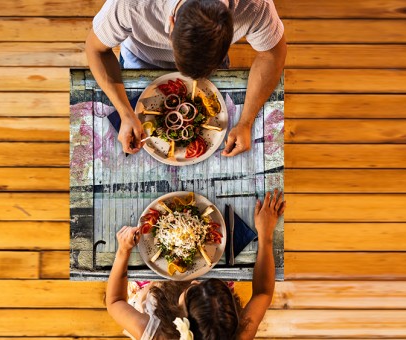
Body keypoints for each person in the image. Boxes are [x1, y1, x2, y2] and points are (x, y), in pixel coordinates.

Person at [86, 0, 287, 156]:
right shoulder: (129, 5)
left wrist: (245, 122)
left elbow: (272, 54)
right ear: (171, 22)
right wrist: (125, 113)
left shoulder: (255, 6)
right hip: (141, 59)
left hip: (214, 69)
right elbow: (95, 49)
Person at [106, 189, 286, 339]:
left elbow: (115, 301)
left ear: (180, 319)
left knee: (141, 290)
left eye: (194, 289)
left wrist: (123, 251)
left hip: (155, 294)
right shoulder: (238, 335)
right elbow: (263, 293)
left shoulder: (156, 334)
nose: (196, 281)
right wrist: (266, 235)